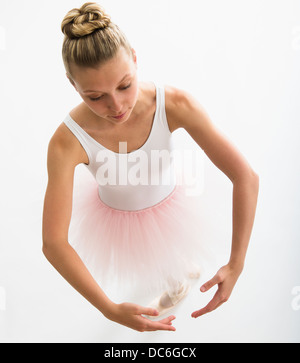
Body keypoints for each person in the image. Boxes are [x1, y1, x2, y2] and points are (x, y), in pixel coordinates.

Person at [42, 2, 259, 333]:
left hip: (167, 200)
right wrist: (109, 309)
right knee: (154, 259)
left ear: (134, 57)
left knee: (172, 246)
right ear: (73, 86)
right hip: (119, 214)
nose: (116, 106)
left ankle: (179, 270)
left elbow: (245, 176)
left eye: (125, 85)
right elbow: (53, 242)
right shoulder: (66, 142)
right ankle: (174, 281)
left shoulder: (174, 104)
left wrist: (236, 263)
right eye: (95, 96)